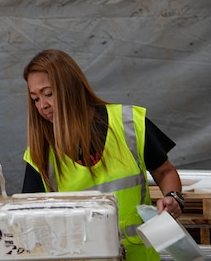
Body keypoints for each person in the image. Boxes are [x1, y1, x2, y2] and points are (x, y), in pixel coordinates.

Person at [21, 49, 183, 260]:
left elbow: (164, 171)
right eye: (35, 98)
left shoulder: (129, 124)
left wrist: (173, 197)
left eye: (48, 94)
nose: (42, 105)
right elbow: (27, 222)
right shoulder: (39, 154)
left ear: (71, 87)